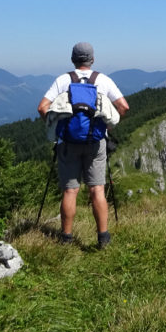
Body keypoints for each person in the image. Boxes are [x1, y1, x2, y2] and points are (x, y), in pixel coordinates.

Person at [38, 42, 129, 248]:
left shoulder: (63, 80)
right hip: (96, 143)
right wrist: (108, 127)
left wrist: (57, 127)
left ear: (72, 59)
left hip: (68, 143)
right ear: (92, 59)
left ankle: (66, 239)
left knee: (70, 191)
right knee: (97, 189)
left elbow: (42, 108)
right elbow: (124, 107)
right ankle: (103, 238)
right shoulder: (103, 80)